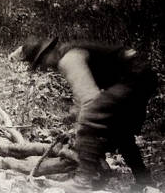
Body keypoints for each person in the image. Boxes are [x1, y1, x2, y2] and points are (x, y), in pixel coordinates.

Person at [11, 37, 158, 192]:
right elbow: (85, 94)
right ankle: (144, 181)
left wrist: (82, 127)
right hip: (136, 78)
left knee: (91, 116)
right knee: (120, 132)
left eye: (41, 62)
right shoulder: (69, 56)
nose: (43, 67)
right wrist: (75, 114)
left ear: (48, 53)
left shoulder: (69, 59)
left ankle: (83, 181)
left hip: (135, 78)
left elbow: (90, 100)